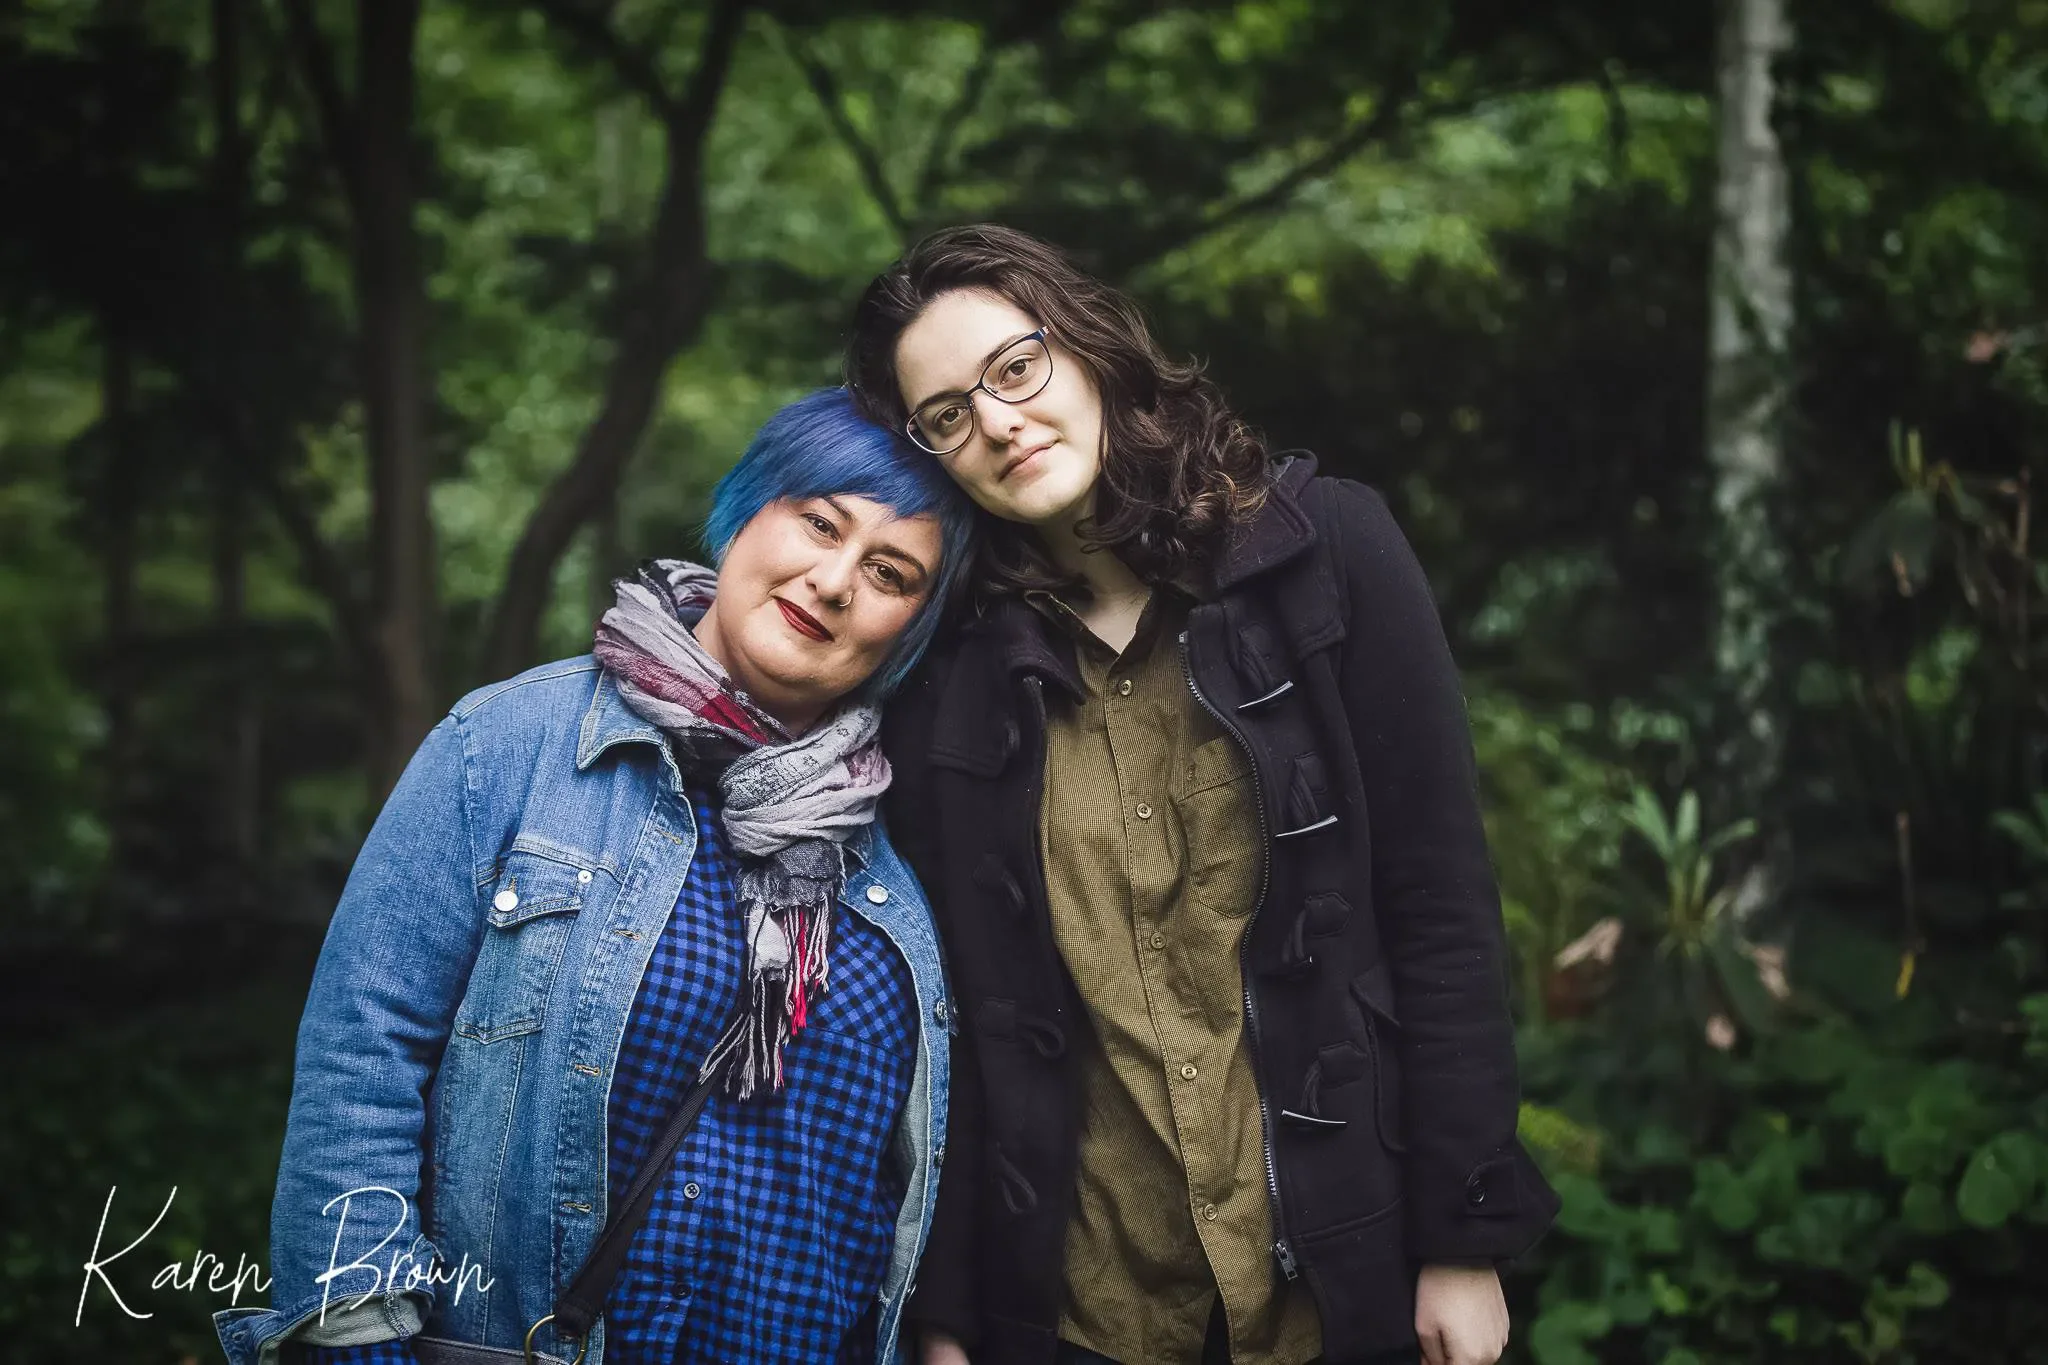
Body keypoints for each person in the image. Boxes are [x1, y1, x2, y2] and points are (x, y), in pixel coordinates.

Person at [842, 226, 1560, 1365]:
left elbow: (1441, 915)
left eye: (1013, 369)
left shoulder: (1324, 553)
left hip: (1343, 1284)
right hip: (1087, 1309)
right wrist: (948, 1316)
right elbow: (960, 1021)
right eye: (945, 416)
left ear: (1082, 345)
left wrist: (1461, 1242)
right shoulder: (952, 676)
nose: (996, 421)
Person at [214, 388, 977, 1365]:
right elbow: (361, 1063)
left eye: (888, 571)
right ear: (747, 512)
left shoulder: (896, 867)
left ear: (908, 627)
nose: (833, 580)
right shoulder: (510, 749)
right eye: (819, 522)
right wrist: (357, 1342)